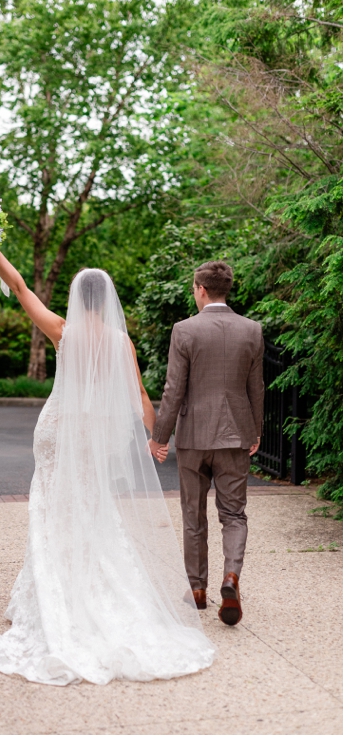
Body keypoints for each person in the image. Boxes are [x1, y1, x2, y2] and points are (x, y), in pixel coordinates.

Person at [0, 241, 216, 686]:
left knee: (51, 513)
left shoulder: (62, 331)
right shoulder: (121, 342)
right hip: (91, 440)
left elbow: (19, 285)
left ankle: (54, 595)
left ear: (74, 297)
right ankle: (84, 592)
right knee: (91, 510)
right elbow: (142, 396)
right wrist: (156, 437)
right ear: (106, 301)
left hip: (55, 433)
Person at [147, 260, 264, 626]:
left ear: (199, 288)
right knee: (234, 514)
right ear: (227, 289)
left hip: (195, 437)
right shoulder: (252, 330)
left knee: (193, 514)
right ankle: (231, 578)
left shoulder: (184, 330)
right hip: (235, 436)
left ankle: (197, 589)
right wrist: (255, 430)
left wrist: (160, 437)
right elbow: (255, 387)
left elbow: (173, 389)